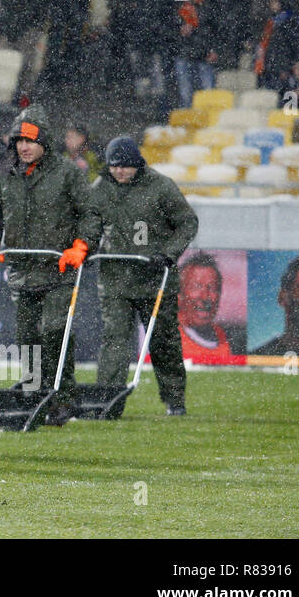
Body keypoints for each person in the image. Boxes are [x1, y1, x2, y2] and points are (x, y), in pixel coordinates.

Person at [0, 106, 97, 426]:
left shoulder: (68, 173)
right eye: (18, 141)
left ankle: (62, 396)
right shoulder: (6, 175)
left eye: (29, 141)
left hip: (58, 268)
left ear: (44, 141)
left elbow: (91, 214)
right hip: (22, 268)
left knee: (55, 330)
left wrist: (81, 245)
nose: (23, 147)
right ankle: (34, 392)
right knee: (28, 335)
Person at [90, 136, 198, 415]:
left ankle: (174, 400)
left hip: (154, 279)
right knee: (116, 340)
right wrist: (85, 247)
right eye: (114, 167)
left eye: (125, 166)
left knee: (164, 341)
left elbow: (187, 222)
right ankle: (107, 401)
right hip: (115, 280)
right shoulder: (100, 189)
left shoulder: (161, 187)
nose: (119, 172)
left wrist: (169, 253)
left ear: (137, 164)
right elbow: (89, 223)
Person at [176, 252, 237, 361]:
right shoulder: (163, 335)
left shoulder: (224, 337)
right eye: (196, 287)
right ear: (179, 294)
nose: (205, 297)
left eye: (213, 288)